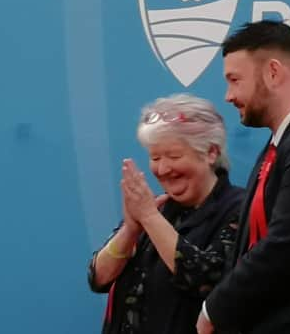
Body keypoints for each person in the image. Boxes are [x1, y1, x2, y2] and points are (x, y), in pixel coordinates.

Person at [196, 20, 290, 334]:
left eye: (235, 80)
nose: (228, 95)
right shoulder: (288, 138)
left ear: (273, 72)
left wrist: (214, 309)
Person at [87, 94, 244, 334]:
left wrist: (150, 218)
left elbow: (205, 280)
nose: (162, 169)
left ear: (211, 152)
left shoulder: (238, 209)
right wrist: (130, 230)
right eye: (155, 157)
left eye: (174, 157)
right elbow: (98, 278)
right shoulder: (156, 208)